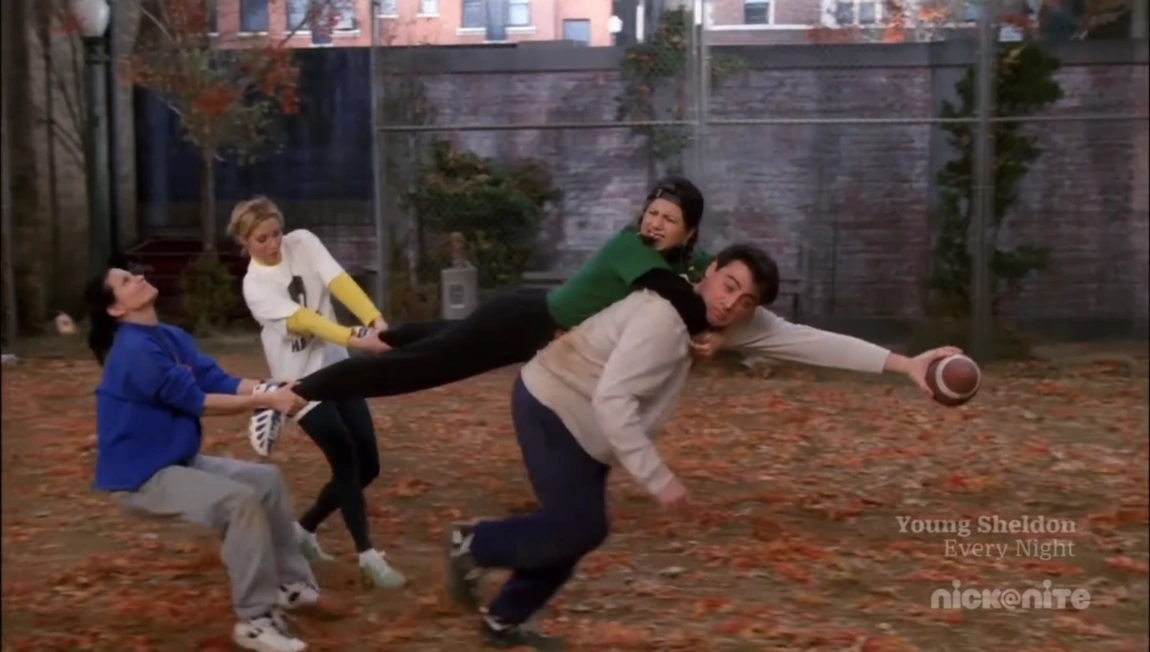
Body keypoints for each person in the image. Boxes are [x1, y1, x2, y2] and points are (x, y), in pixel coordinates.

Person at [438, 244, 963, 650]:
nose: (730, 303)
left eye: (745, 300)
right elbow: (614, 399)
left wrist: (906, 365)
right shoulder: (662, 318)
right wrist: (657, 477)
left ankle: (503, 620)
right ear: (709, 271)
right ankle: (474, 546)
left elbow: (812, 342)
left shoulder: (729, 320)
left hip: (594, 426)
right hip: (552, 402)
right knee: (579, 526)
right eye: (728, 285)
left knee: (575, 528)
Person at [268, 174, 715, 412]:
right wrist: (714, 323)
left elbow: (717, 271)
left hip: (529, 326)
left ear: (689, 232)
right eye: (652, 213)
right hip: (523, 325)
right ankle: (301, 389)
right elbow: (690, 308)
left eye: (669, 220)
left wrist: (715, 285)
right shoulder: (633, 248)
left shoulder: (676, 262)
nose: (655, 224)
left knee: (446, 338)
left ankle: (389, 337)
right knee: (417, 370)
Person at [85, 266, 320, 652]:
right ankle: (255, 621)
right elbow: (199, 402)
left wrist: (270, 387)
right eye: (125, 281)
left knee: (266, 481)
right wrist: (266, 400)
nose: (138, 277)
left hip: (175, 461)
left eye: (133, 273)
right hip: (141, 478)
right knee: (239, 502)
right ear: (115, 309)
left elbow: (216, 380)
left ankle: (291, 585)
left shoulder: (169, 337)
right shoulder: (133, 351)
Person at [228, 196, 406, 589]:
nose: (274, 244)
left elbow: (338, 281)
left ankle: (304, 530)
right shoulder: (255, 287)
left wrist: (375, 320)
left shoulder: (303, 242)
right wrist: (356, 339)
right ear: (244, 241)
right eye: (261, 239)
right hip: (300, 385)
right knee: (345, 459)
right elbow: (304, 320)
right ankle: (367, 555)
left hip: (338, 367)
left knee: (369, 465)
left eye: (276, 233)